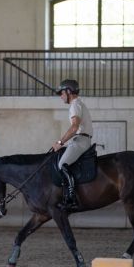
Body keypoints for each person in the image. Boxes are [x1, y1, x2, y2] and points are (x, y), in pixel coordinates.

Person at [52, 79, 94, 209]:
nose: (61, 96)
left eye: (62, 93)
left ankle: (71, 198)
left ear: (69, 91)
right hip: (80, 139)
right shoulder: (78, 104)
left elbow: (74, 127)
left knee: (62, 165)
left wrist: (60, 142)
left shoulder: (75, 105)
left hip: (80, 140)